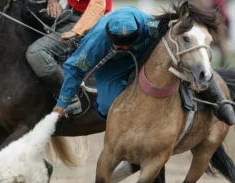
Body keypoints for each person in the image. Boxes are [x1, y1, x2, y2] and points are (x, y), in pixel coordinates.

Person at [52, 6, 235, 125]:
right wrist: (62, 103)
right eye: (117, 44)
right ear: (108, 36)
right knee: (108, 106)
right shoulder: (95, 42)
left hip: (145, 56)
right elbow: (74, 69)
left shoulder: (153, 26)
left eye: (125, 44)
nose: (121, 48)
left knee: (190, 56)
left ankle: (219, 100)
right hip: (113, 67)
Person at [26, 0, 112, 114]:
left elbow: (98, 5)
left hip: (93, 21)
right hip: (70, 12)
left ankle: (69, 99)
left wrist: (76, 31)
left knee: (36, 52)